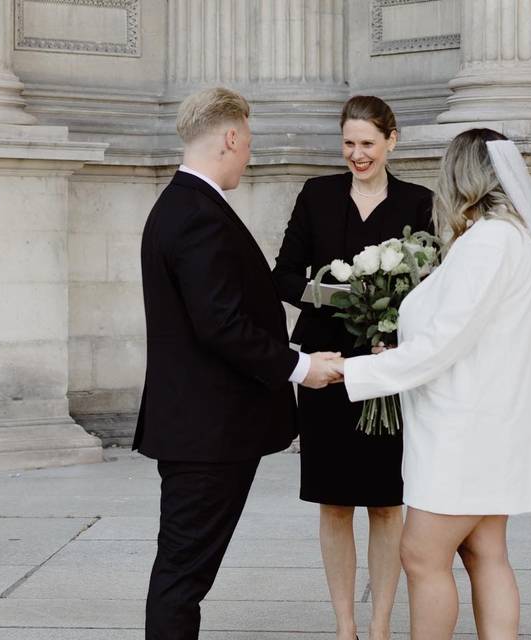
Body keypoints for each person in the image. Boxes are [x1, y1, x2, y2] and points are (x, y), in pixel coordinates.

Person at [335, 129, 531, 640]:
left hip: (466, 432)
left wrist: (355, 370)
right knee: (484, 552)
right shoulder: (510, 237)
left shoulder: (490, 240)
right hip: (491, 425)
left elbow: (448, 340)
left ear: (461, 177)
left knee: (421, 555)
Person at [133, 86, 343, 640]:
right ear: (230, 137)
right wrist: (299, 370)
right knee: (183, 576)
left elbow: (220, 317)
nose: (249, 154)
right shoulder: (196, 214)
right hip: (207, 435)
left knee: (183, 571)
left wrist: (295, 353)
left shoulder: (182, 206)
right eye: (247, 141)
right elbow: (220, 325)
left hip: (199, 428)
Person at [272, 95, 434, 640]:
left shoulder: (419, 202)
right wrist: (331, 295)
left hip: (389, 367)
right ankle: (345, 626)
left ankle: (382, 624)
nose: (357, 155)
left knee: (388, 503)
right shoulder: (316, 195)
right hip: (325, 365)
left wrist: (398, 335)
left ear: (392, 140)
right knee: (334, 500)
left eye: (367, 143)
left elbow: (435, 288)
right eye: (348, 144)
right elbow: (284, 276)